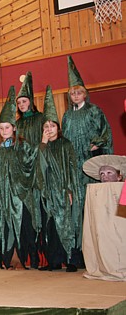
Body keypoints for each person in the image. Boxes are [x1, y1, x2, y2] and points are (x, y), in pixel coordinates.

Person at [61, 55, 113, 269]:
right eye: (72, 93)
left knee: (90, 210)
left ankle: (96, 255)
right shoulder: (66, 116)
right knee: (74, 211)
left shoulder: (94, 111)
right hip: (73, 169)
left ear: (85, 93)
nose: (75, 95)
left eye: (79, 92)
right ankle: (75, 255)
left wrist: (97, 143)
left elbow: (105, 133)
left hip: (90, 167)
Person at [0, 88, 37, 270]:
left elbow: (30, 165)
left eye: (7, 127)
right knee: (5, 225)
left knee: (23, 225)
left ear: (14, 128)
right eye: (1, 128)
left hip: (19, 194)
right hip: (2, 194)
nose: (4, 131)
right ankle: (7, 258)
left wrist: (22, 185)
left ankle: (26, 258)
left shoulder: (22, 145)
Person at [36, 86, 80, 272]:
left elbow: (71, 168)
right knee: (51, 227)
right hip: (48, 193)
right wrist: (43, 143)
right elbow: (40, 168)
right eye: (46, 127)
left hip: (63, 190)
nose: (49, 129)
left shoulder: (65, 144)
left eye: (52, 126)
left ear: (58, 128)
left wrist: (70, 190)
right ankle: (53, 261)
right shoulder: (42, 147)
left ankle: (70, 260)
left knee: (67, 225)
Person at [15, 73, 43, 269]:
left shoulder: (41, 119)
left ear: (31, 102)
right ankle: (30, 255)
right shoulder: (17, 125)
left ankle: (44, 256)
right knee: (26, 217)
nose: (21, 105)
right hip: (22, 177)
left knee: (40, 214)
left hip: (38, 173)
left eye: (24, 101)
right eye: (19, 102)